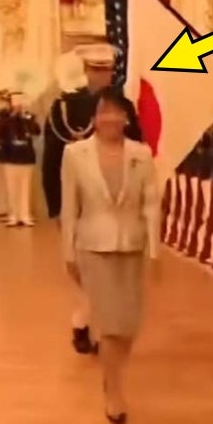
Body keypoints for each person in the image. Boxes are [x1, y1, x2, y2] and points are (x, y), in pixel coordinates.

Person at [60, 87, 161, 424]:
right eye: (103, 111)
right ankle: (114, 390)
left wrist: (155, 249)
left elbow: (151, 203)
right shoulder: (75, 154)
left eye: (116, 111)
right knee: (109, 323)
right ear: (94, 117)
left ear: (126, 117)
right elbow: (70, 207)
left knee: (128, 325)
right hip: (92, 246)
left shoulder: (141, 154)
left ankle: (112, 374)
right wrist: (67, 251)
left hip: (132, 245)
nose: (110, 118)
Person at [45, 43, 142, 355]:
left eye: (106, 70)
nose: (103, 76)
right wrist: (56, 208)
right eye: (98, 70)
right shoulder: (72, 109)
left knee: (100, 275)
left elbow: (137, 153)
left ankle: (86, 324)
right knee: (95, 274)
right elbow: (51, 161)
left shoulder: (70, 109)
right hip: (92, 204)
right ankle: (93, 326)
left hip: (105, 204)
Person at [0, 90, 41, 227]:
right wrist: (12, 117)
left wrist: (28, 118)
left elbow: (37, 131)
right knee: (12, 188)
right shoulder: (4, 118)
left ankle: (25, 215)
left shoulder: (28, 118)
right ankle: (13, 215)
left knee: (25, 188)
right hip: (10, 158)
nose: (18, 107)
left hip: (26, 157)